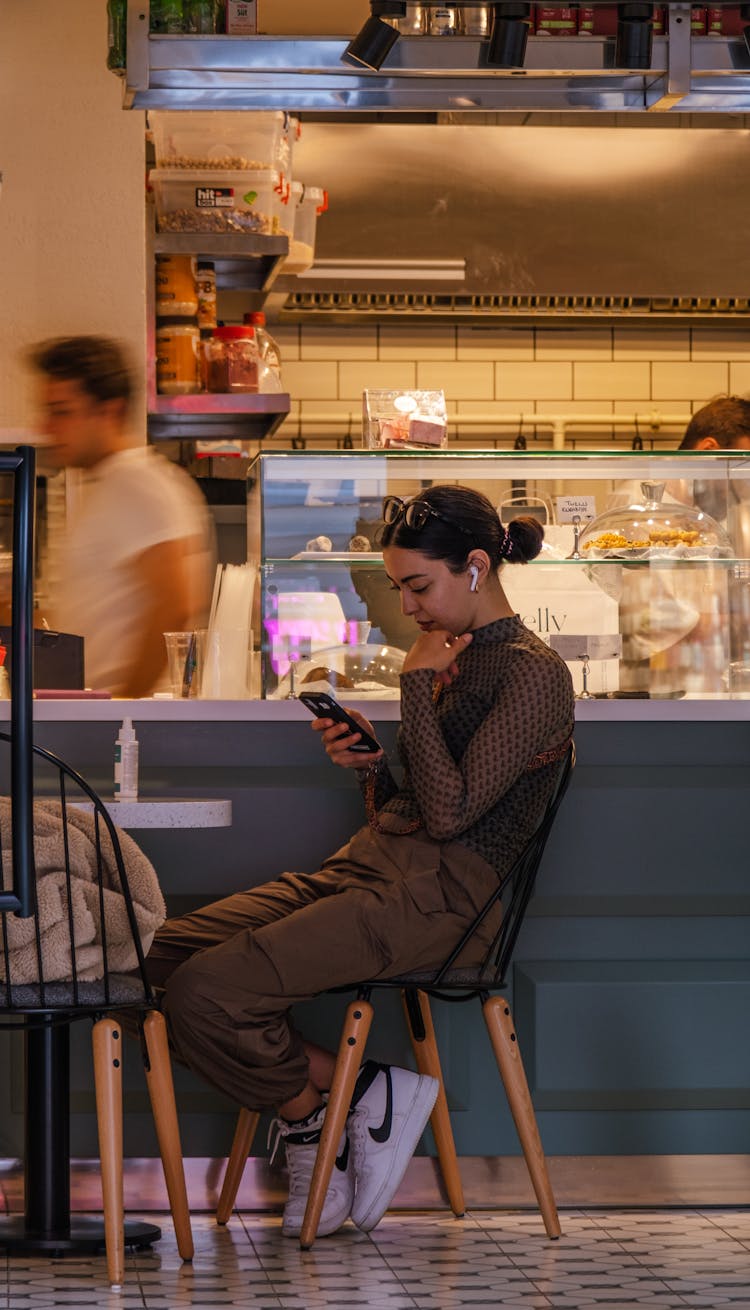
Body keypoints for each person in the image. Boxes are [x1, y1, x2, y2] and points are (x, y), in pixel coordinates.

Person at [145, 484, 575, 1239]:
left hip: (446, 903)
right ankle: (360, 1094)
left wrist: (414, 685)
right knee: (155, 956)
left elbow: (449, 819)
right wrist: (369, 770)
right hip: (374, 870)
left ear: (475, 566)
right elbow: (418, 809)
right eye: (400, 588)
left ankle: (313, 1121)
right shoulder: (454, 654)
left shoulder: (532, 672)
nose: (408, 607)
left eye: (419, 585)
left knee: (208, 992)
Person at [30, 336, 215, 697]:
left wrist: (121, 709)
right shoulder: (103, 486)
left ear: (109, 411)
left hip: (120, 727)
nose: (48, 427)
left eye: (62, 411)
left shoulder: (139, 483)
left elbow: (174, 608)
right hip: (97, 717)